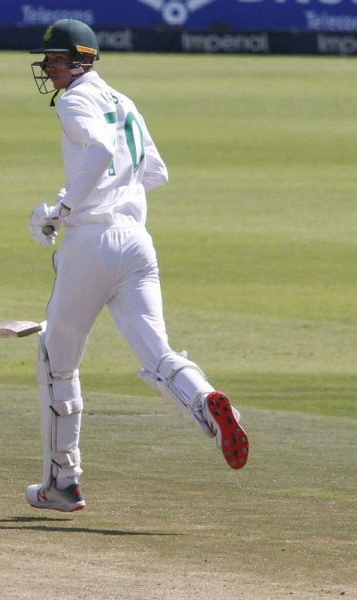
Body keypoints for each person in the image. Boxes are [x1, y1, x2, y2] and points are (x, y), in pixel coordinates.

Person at [24, 19, 249, 512]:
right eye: (48, 61)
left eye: (56, 60)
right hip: (137, 242)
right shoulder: (123, 101)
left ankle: (63, 482)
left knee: (55, 360)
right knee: (158, 352)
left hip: (92, 243)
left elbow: (101, 150)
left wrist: (63, 211)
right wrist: (93, 193)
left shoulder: (73, 100)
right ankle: (207, 404)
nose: (49, 68)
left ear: (82, 60)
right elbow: (155, 172)